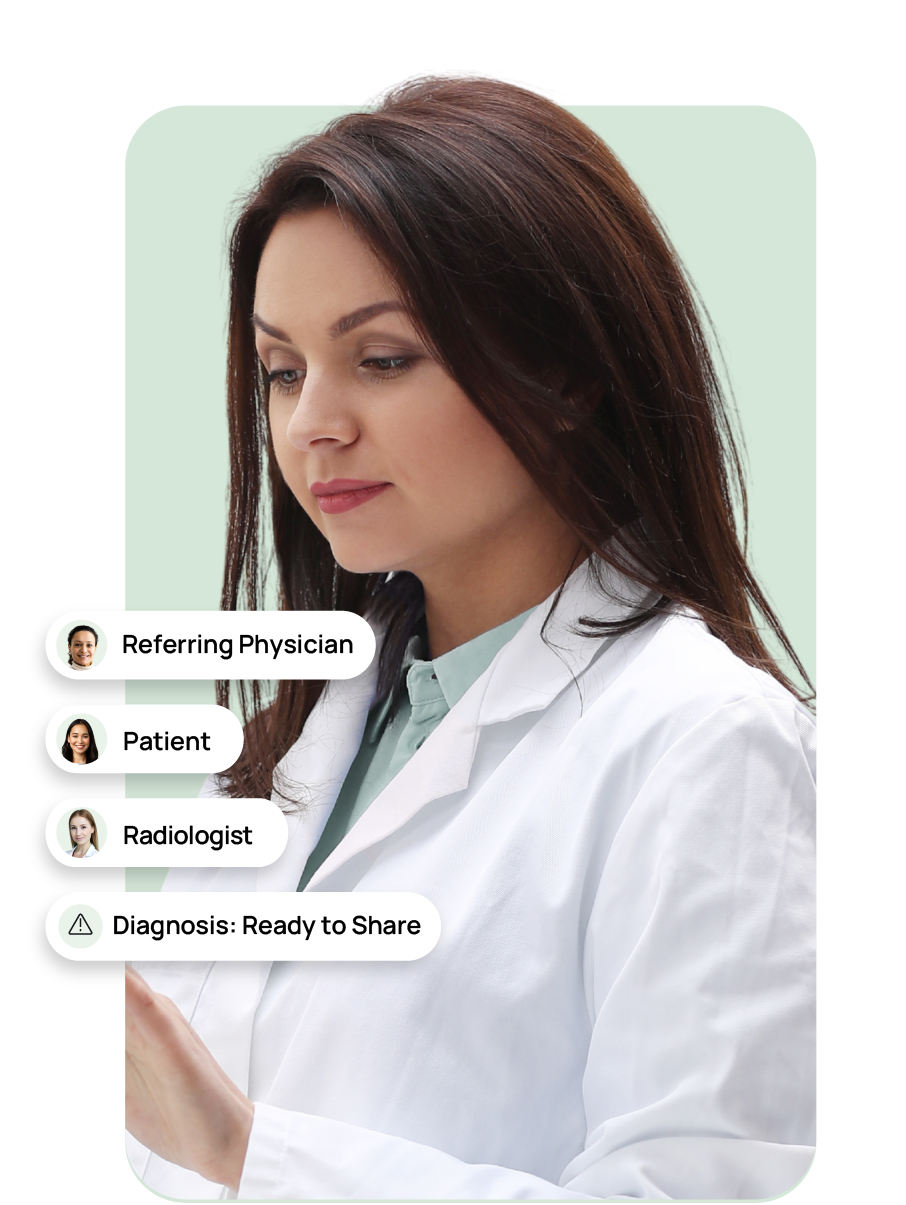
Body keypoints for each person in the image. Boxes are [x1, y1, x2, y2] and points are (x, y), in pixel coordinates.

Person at [125, 73, 816, 1201]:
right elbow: (164, 1118)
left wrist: (252, 1152)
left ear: (569, 372)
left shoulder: (703, 737)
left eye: (383, 359)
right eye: (281, 370)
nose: (312, 427)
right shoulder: (291, 736)